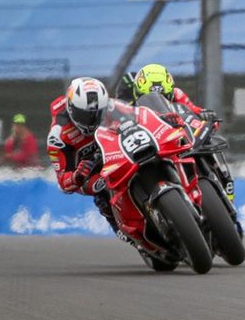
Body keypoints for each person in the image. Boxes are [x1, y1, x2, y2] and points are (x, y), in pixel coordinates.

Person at [48, 78, 125, 239]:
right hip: (87, 172)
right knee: (100, 186)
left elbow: (139, 116)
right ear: (71, 109)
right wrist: (77, 176)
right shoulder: (58, 135)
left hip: (118, 152)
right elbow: (63, 183)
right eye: (84, 115)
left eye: (98, 113)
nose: (92, 121)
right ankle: (117, 223)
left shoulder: (112, 107)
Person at [132, 63, 214, 120]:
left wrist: (205, 115)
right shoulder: (130, 108)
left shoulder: (177, 94)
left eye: (163, 96)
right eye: (148, 98)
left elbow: (194, 110)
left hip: (177, 134)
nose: (156, 102)